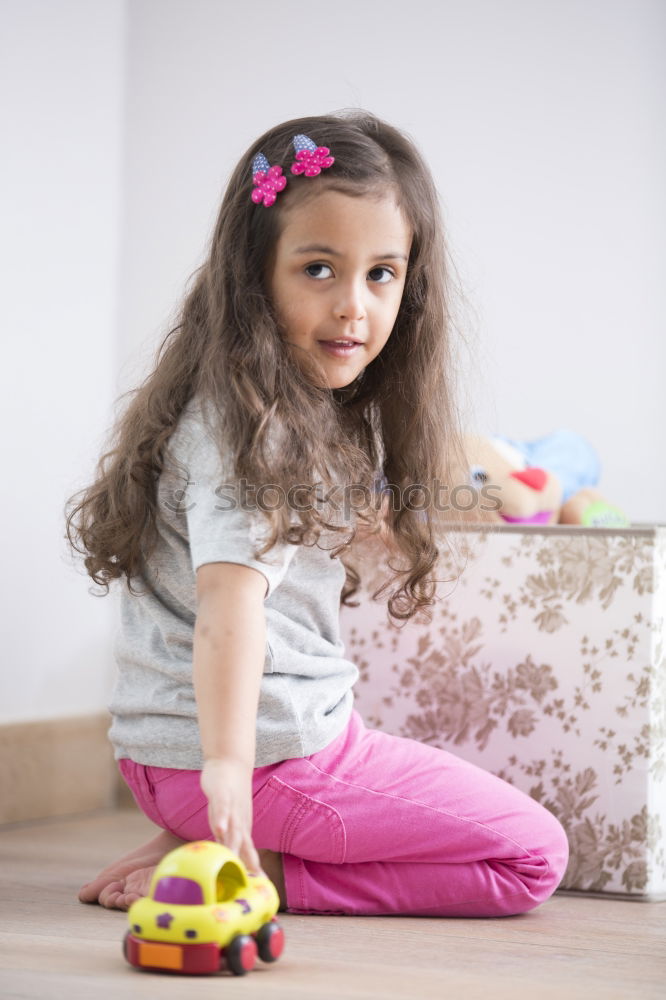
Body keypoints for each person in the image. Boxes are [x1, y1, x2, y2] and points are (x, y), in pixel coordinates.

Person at [65, 110, 569, 917]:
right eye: (319, 269)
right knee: (533, 856)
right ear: (254, 273)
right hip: (259, 760)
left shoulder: (253, 406)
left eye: (381, 275)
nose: (354, 307)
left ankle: (210, 834)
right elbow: (230, 609)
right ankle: (266, 866)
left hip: (172, 761)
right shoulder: (252, 431)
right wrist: (228, 775)